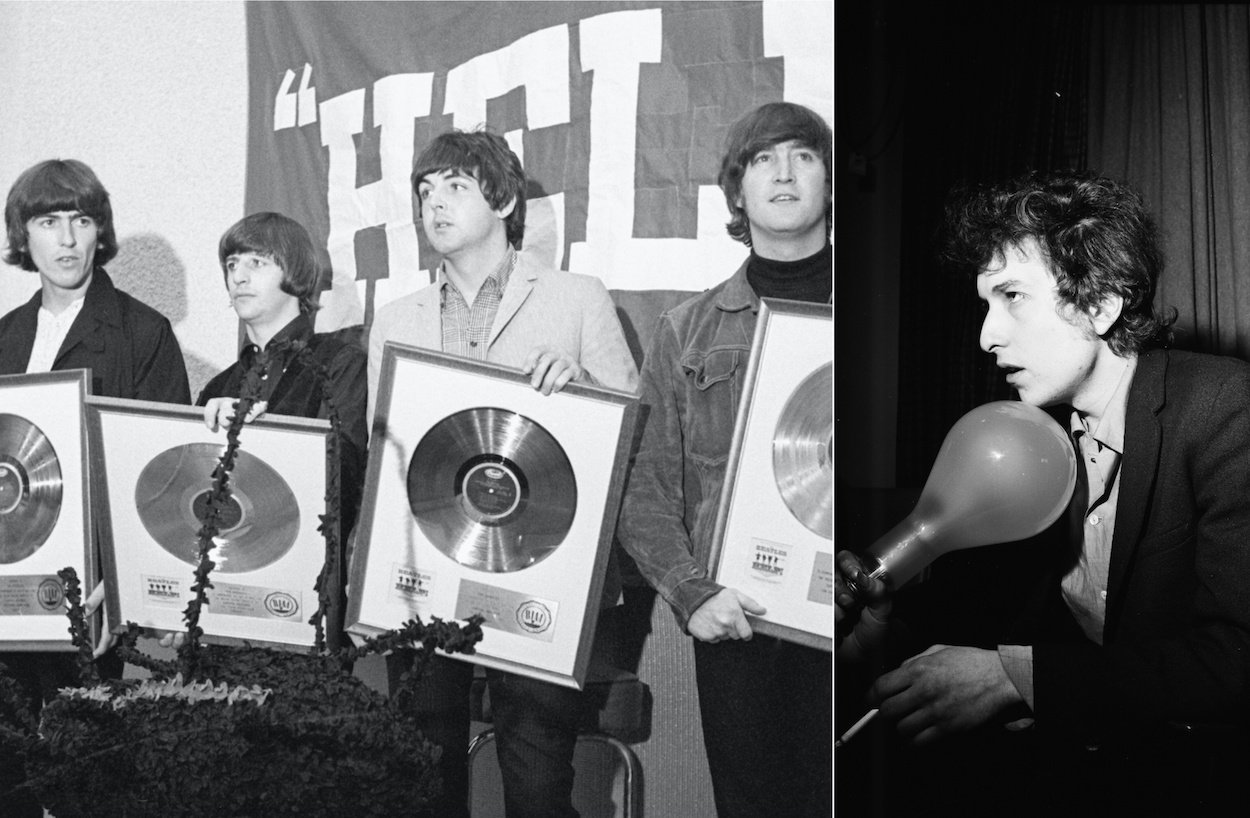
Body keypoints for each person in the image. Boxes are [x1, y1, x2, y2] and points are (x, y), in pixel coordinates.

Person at [835, 170, 1250, 816]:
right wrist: (882, 618)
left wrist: (1016, 680)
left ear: (1101, 301)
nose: (986, 336)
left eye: (1011, 297)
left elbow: (1236, 659)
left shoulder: (1224, 407)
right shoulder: (1038, 446)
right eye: (984, 303)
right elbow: (1001, 620)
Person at [366, 128, 638, 818]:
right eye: (425, 190)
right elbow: (385, 452)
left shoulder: (577, 297)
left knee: (537, 779)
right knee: (422, 775)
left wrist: (582, 387)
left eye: (456, 185)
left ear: (505, 198)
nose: (435, 203)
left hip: (542, 568)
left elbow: (630, 425)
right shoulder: (395, 319)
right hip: (424, 568)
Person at [616, 101, 832, 818]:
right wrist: (691, 593)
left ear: (829, 183)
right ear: (736, 192)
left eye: (803, 155)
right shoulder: (687, 329)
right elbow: (643, 488)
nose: (783, 173)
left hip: (858, 612)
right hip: (742, 619)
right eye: (762, 159)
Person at [0, 158, 191, 817]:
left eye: (81, 220)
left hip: (91, 597)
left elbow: (164, 479)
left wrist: (126, 583)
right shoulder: (4, 337)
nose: (67, 238)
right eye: (48, 221)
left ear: (99, 230)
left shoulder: (142, 332)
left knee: (86, 783)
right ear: (24, 235)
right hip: (5, 593)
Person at [197, 211, 368, 644]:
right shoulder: (219, 388)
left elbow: (345, 481)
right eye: (232, 264)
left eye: (257, 263)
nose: (238, 276)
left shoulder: (340, 363)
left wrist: (267, 432)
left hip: (306, 607)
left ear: (294, 272)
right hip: (221, 605)